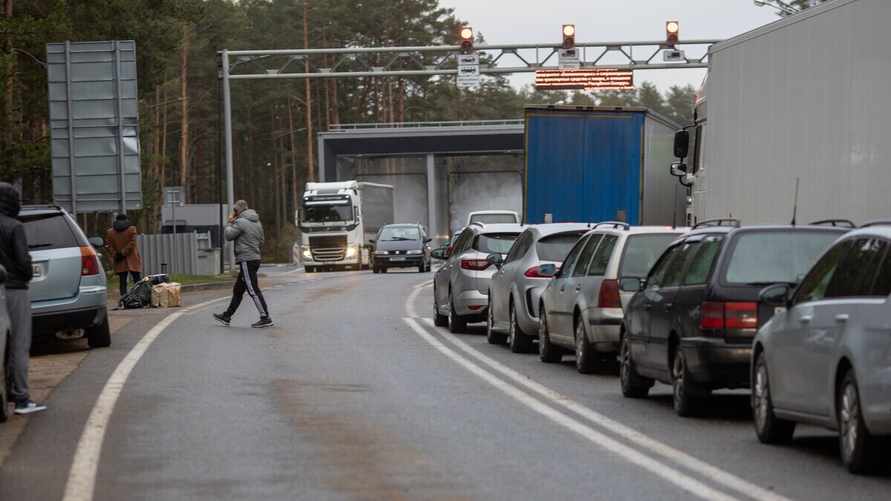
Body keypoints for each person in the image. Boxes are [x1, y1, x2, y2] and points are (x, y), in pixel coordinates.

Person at [0, 182, 47, 414]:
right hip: (14, 290)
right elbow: (23, 261)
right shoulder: (14, 227)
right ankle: (20, 398)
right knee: (19, 343)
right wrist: (26, 272)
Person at [214, 200, 273, 328]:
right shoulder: (257, 222)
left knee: (252, 289)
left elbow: (228, 236)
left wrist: (229, 222)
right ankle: (227, 316)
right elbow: (262, 240)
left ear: (238, 210)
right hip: (255, 258)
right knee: (238, 290)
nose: (234, 212)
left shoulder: (240, 222)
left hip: (246, 259)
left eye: (235, 210)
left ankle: (265, 317)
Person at [105, 213, 143, 298]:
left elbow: (108, 245)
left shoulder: (110, 232)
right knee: (137, 280)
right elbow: (132, 243)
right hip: (132, 259)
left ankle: (124, 299)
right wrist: (123, 252)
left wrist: (116, 254)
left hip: (119, 260)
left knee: (122, 281)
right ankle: (139, 296)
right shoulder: (132, 229)